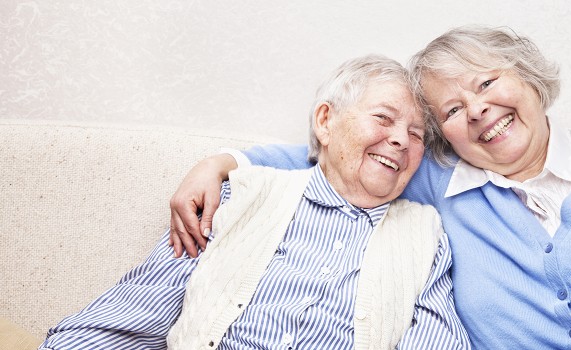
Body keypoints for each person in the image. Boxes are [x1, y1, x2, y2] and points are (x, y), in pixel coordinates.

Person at [169, 25, 571, 349]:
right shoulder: (438, 184)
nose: (477, 110)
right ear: (442, 134)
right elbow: (339, 156)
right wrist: (225, 163)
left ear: (530, 78)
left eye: (488, 82)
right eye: (450, 109)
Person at [40, 55, 471, 349]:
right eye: (383, 118)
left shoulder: (424, 237)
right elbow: (125, 322)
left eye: (416, 134)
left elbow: (437, 340)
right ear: (326, 121)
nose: (400, 140)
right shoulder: (236, 200)